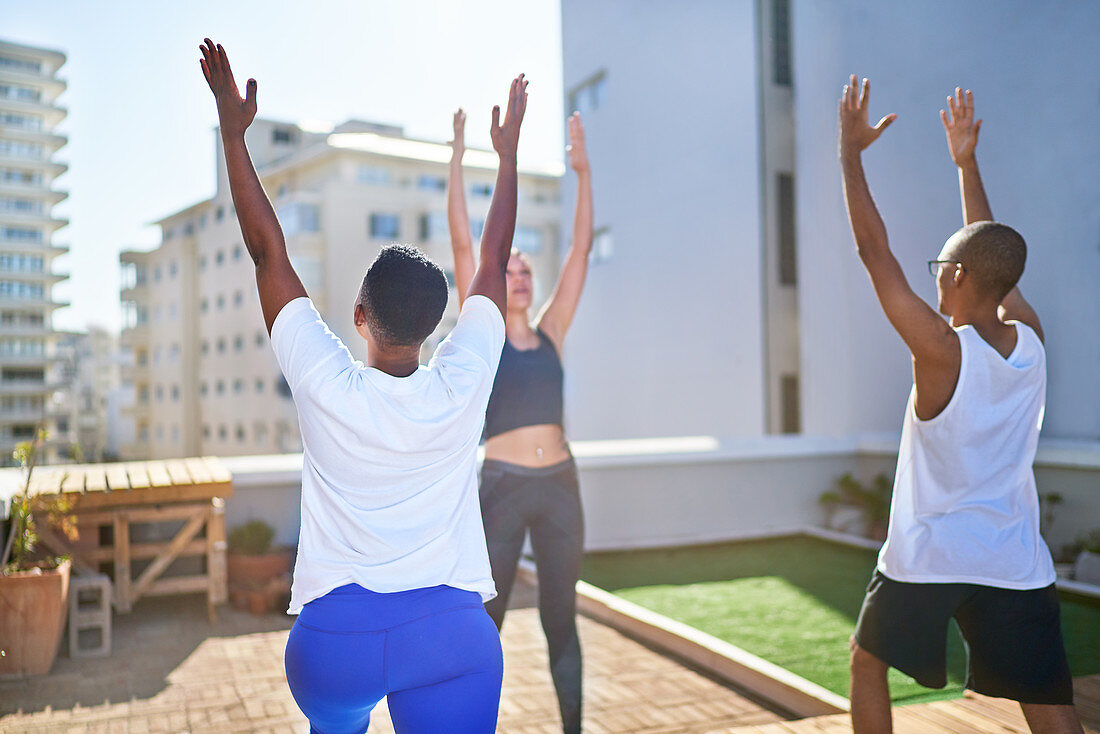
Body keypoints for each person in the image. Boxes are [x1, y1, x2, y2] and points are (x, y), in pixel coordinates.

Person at [199, 38, 529, 734]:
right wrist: (506, 155)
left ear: (358, 317)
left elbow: (267, 250)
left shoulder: (327, 383)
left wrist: (233, 133)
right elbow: (494, 260)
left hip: (334, 648)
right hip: (451, 639)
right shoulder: (462, 381)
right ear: (439, 326)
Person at [838, 77, 1084, 734]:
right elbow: (993, 254)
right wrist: (965, 163)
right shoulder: (1030, 340)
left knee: (866, 661)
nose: (935, 274)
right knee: (1050, 701)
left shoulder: (942, 351)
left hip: (933, 553)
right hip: (1013, 559)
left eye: (940, 265)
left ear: (954, 278)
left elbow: (872, 251)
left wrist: (849, 153)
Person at [447, 108, 594, 733]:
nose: (521, 275)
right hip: (502, 488)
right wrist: (456, 159)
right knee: (489, 622)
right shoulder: (479, 332)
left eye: (526, 269)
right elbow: (462, 243)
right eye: (509, 268)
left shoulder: (553, 332)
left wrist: (583, 173)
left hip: (561, 485)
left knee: (562, 620)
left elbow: (581, 249)